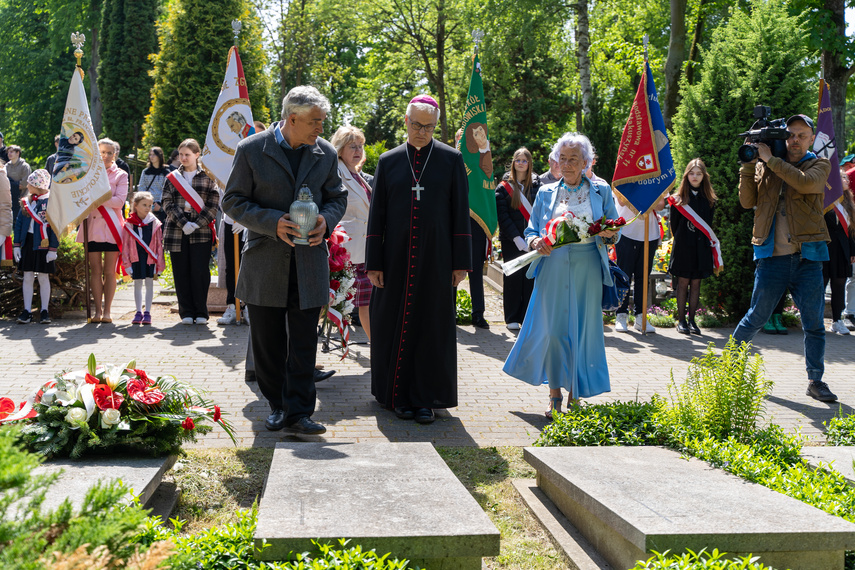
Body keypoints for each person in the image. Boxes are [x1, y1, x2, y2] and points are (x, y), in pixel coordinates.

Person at [223, 85, 347, 435]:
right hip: (265, 262)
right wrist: (270, 223)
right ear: (293, 119)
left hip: (309, 262)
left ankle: (301, 411)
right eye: (316, 122)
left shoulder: (324, 153)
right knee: (268, 341)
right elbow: (232, 201)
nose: (321, 129)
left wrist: (327, 219)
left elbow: (337, 197)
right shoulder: (251, 149)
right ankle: (277, 405)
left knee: (305, 341)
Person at [366, 94, 471, 425]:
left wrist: (460, 263)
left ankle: (425, 399)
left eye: (428, 126)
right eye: (416, 125)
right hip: (395, 259)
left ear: (436, 125)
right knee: (392, 325)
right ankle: (395, 396)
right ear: (406, 122)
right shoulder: (388, 160)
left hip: (437, 259)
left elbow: (460, 215)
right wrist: (374, 263)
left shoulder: (451, 160)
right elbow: (376, 216)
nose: (422, 132)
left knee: (431, 327)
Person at [503, 132, 620, 418]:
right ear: (556, 162)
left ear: (585, 162)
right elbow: (532, 230)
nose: (567, 165)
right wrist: (534, 242)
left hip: (588, 266)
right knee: (554, 332)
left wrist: (609, 233)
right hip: (552, 266)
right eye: (563, 159)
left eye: (574, 159)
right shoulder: (545, 192)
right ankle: (554, 393)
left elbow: (615, 231)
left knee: (582, 330)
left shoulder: (601, 191)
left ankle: (576, 395)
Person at [733, 114, 836, 402]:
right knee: (755, 318)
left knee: (814, 324)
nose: (796, 140)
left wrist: (771, 161)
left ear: (812, 138)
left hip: (808, 259)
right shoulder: (765, 166)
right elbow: (746, 202)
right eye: (791, 134)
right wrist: (749, 166)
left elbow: (804, 184)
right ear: (783, 137)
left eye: (803, 135)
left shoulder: (819, 164)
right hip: (772, 258)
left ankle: (816, 381)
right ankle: (730, 371)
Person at [162, 138, 219, 325]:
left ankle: (201, 312)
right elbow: (167, 203)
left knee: (200, 271)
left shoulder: (209, 176)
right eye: (181, 154)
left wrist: (197, 223)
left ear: (197, 155)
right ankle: (186, 311)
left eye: (187, 154)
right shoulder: (171, 178)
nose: (183, 158)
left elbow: (213, 204)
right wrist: (184, 222)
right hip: (177, 230)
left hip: (201, 230)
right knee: (181, 271)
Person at [76, 138, 128, 323]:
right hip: (92, 227)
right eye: (102, 152)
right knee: (95, 271)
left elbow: (119, 202)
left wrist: (97, 199)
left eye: (109, 153)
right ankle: (97, 311)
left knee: (110, 272)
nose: (105, 156)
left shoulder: (121, 175)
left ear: (115, 155)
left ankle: (107, 311)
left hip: (112, 228)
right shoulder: (87, 174)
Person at [331, 125, 374, 339]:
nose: (358, 150)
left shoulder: (359, 175)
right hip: (345, 253)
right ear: (340, 149)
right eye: (352, 146)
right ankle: (304, 357)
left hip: (363, 250)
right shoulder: (335, 173)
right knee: (327, 307)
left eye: (360, 146)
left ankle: (378, 349)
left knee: (367, 304)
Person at [668, 158, 718, 334]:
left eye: (698, 173)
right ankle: (681, 321)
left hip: (701, 248)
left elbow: (709, 225)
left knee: (696, 284)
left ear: (704, 176)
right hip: (684, 248)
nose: (695, 177)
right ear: (686, 175)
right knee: (682, 284)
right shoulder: (679, 199)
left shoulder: (709, 199)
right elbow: (674, 226)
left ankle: (692, 321)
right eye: (692, 173)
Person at [495, 147, 541, 330]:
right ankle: (512, 317)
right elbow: (503, 216)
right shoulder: (503, 187)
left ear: (529, 163)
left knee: (529, 279)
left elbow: (540, 213)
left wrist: (533, 238)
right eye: (518, 160)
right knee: (513, 278)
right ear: (513, 163)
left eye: (524, 160)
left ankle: (527, 316)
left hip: (533, 241)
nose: (521, 163)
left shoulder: (538, 186)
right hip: (511, 241)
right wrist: (516, 238)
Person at [614, 193, 664, 334]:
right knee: (624, 275)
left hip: (649, 233)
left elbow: (660, 205)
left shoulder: (653, 177)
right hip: (626, 231)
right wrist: (645, 196)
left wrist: (648, 191)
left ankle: (640, 316)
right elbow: (622, 201)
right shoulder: (625, 174)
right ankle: (621, 314)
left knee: (643, 277)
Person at [13, 170, 57, 324]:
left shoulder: (51, 201)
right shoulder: (26, 201)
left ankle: (44, 310)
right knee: (28, 276)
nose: (27, 185)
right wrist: (16, 245)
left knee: (44, 277)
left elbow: (55, 228)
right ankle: (27, 311)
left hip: (44, 244)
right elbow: (19, 224)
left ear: (38, 186)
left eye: (30, 183)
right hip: (28, 242)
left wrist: (53, 248)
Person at [122, 191, 165, 325]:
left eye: (150, 205)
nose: (148, 208)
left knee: (149, 284)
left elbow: (159, 244)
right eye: (144, 205)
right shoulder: (129, 224)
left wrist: (159, 264)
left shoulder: (155, 223)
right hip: (136, 258)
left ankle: (148, 313)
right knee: (138, 284)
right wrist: (126, 264)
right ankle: (138, 311)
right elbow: (125, 245)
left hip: (150, 259)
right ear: (135, 205)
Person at [823, 167, 855, 335]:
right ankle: (814, 320)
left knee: (839, 284)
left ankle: (837, 321)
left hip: (842, 250)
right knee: (821, 283)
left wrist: (852, 251)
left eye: (846, 179)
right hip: (825, 247)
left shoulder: (848, 203)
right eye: (843, 178)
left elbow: (851, 231)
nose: (847, 181)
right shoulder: (825, 199)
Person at [137, 147, 171, 224]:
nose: (151, 157)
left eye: (154, 155)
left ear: (159, 156)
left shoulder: (166, 172)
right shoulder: (146, 171)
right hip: (147, 204)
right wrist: (146, 202)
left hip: (161, 205)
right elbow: (142, 187)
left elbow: (166, 190)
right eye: (150, 155)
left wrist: (160, 204)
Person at [6, 145, 31, 222]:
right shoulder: (6, 166)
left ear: (18, 153)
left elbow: (23, 185)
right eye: (8, 152)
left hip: (22, 198)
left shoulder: (25, 166)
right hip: (9, 197)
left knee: (20, 222)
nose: (9, 154)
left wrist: (10, 183)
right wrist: (15, 184)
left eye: (11, 152)